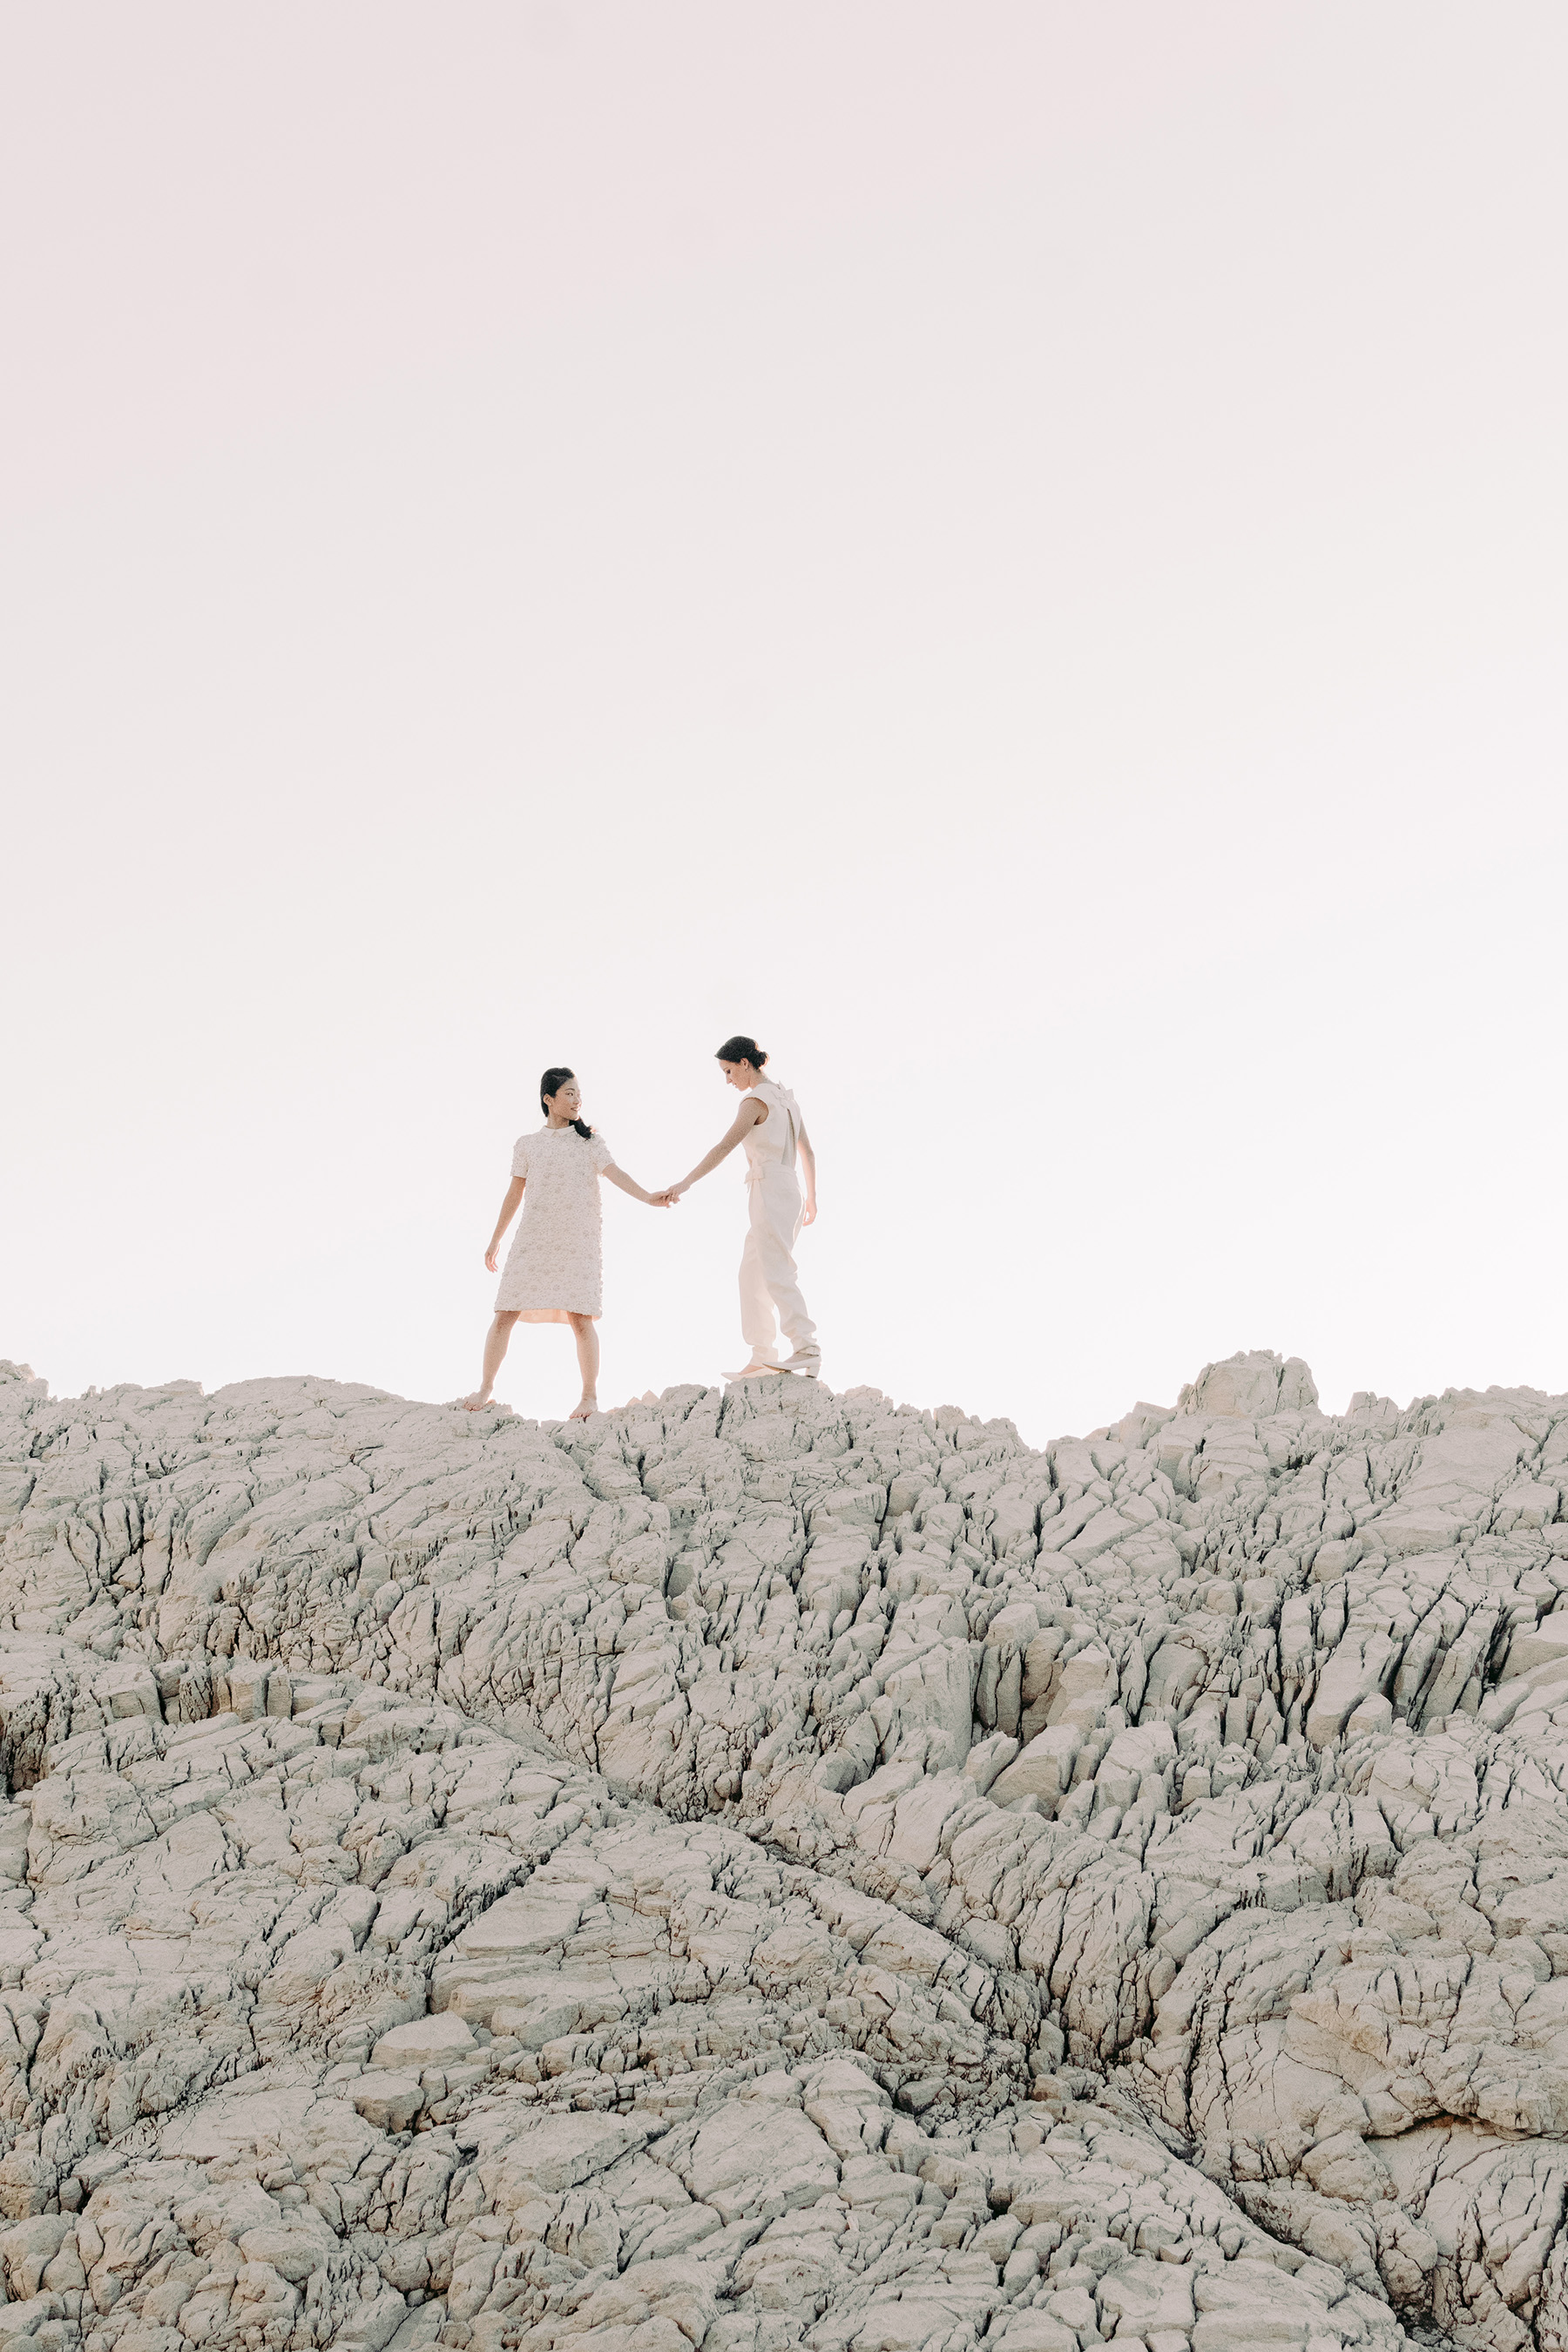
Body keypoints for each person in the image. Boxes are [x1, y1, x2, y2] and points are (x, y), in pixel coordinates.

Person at [466, 1067, 669, 1421]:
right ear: (549, 1099)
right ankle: (485, 1388)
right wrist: (495, 1240)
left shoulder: (590, 1142)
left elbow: (616, 1174)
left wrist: (648, 1197)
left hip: (577, 1240)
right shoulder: (527, 1145)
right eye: (569, 1094)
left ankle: (589, 1397)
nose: (577, 1100)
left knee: (581, 1318)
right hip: (534, 1237)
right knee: (504, 1313)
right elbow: (514, 1193)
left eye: (579, 1094)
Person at [659, 1036, 820, 1379]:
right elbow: (809, 1152)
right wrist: (811, 1198)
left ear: (745, 1063)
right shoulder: (786, 1098)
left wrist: (684, 1183)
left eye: (729, 1071)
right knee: (751, 1272)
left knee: (777, 1271)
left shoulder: (756, 1100)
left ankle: (806, 1346)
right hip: (788, 1188)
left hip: (769, 1188)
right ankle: (762, 1355)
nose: (728, 1080)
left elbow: (723, 1147)